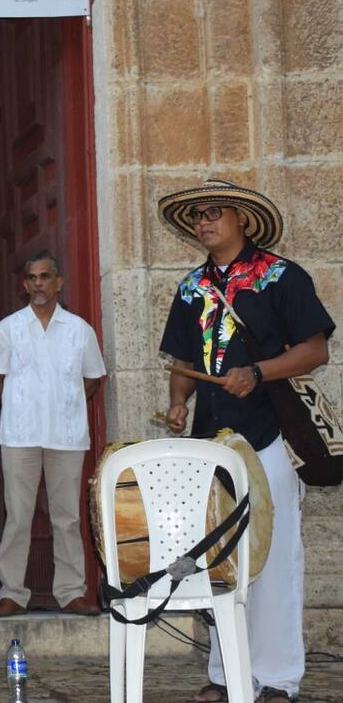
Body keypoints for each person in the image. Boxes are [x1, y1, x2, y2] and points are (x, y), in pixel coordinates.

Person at [157, 178, 333, 703]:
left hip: (269, 433)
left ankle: (277, 678)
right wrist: (178, 401)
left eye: (214, 212)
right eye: (197, 216)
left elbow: (315, 350)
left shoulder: (282, 276)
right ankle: (227, 673)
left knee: (274, 558)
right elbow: (184, 359)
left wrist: (257, 372)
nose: (204, 222)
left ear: (242, 219)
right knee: (220, 558)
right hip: (211, 442)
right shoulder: (191, 287)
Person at [0, 251, 105, 617]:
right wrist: (21, 408)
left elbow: (92, 379)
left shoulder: (80, 330)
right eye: (32, 278)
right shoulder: (7, 329)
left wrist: (66, 405)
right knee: (18, 517)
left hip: (66, 437)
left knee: (67, 518)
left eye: (45, 276)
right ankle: (12, 593)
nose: (38, 284)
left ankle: (71, 593)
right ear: (25, 285)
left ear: (58, 282)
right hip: (19, 437)